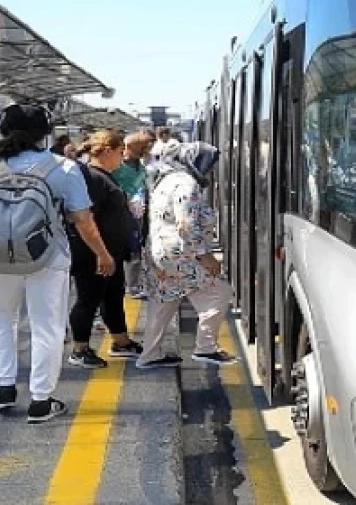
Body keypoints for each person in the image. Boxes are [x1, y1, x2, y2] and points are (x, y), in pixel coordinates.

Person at [0, 104, 116, 423]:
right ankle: (40, 400)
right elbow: (82, 220)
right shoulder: (62, 167)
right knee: (46, 326)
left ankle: (5, 388)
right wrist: (102, 254)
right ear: (44, 134)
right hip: (47, 257)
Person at [136, 140, 238, 369]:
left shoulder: (167, 178)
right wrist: (205, 256)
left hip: (160, 252)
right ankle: (206, 348)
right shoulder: (186, 184)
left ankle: (149, 355)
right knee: (220, 292)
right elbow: (186, 225)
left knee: (163, 302)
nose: (210, 169)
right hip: (181, 254)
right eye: (208, 163)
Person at [67, 130, 144, 367]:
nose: (122, 159)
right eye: (120, 153)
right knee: (88, 298)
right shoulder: (93, 178)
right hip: (94, 253)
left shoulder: (102, 176)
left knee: (112, 296)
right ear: (108, 151)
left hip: (109, 252)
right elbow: (85, 218)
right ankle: (79, 349)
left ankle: (120, 341)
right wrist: (101, 253)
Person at [112, 131, 154, 300]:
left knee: (135, 249)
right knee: (130, 249)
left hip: (138, 212)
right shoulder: (118, 166)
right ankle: (131, 286)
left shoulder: (141, 166)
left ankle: (132, 284)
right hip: (122, 213)